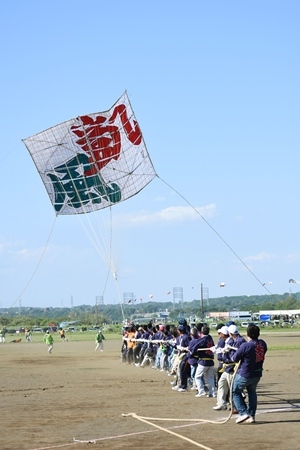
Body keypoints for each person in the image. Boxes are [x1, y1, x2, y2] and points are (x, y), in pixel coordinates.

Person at [232, 323, 267, 424]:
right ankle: (251, 415)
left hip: (245, 374)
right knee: (252, 393)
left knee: (235, 391)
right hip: (257, 373)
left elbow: (235, 358)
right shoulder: (262, 343)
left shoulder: (246, 345)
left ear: (248, 334)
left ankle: (243, 413)